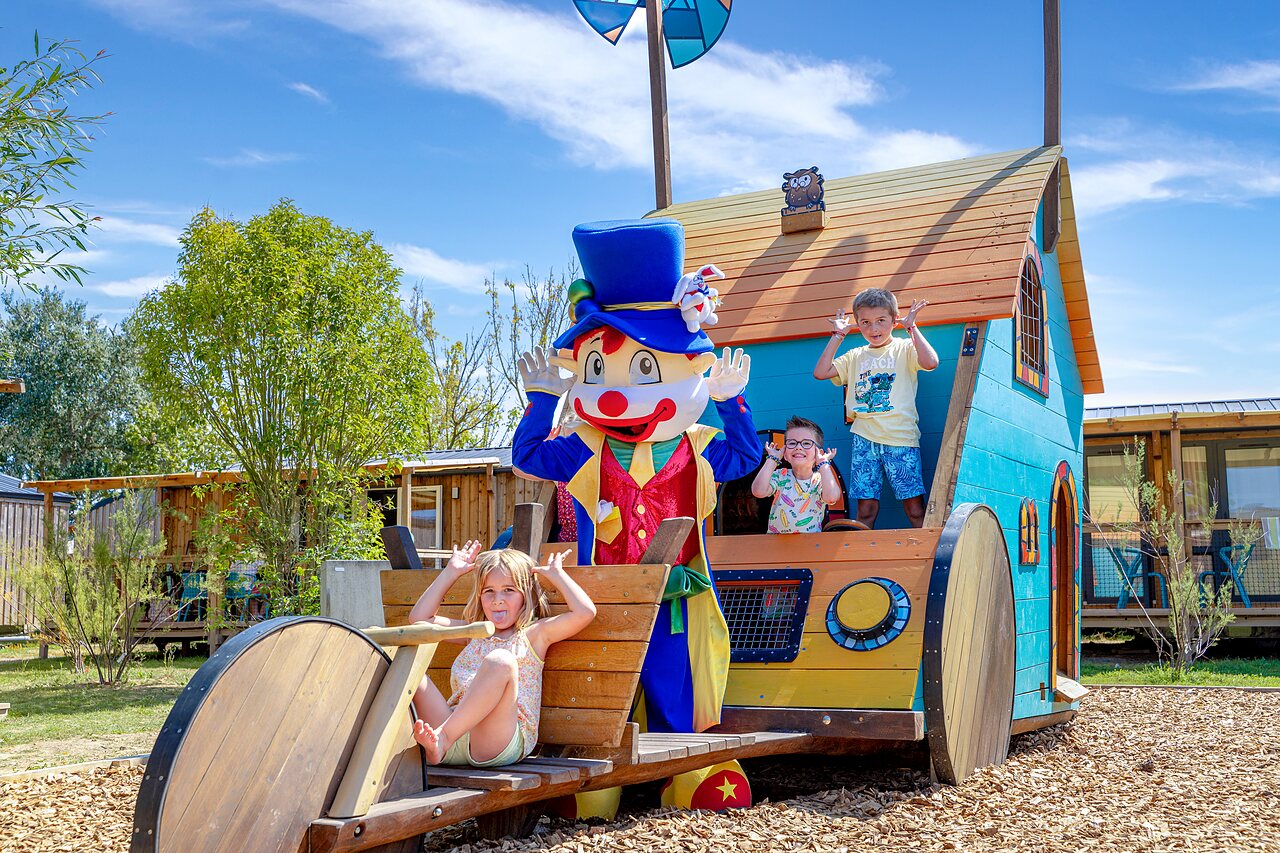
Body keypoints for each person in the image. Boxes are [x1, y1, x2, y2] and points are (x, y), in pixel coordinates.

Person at [406, 541, 596, 767]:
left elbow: (585, 613)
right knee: (408, 669)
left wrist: (557, 575)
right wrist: (451, 572)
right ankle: (430, 742)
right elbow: (420, 621)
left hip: (497, 741)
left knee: (501, 661)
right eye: (489, 591)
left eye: (509, 590)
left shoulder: (535, 634)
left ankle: (443, 738)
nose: (498, 600)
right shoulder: (473, 632)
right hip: (450, 736)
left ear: (526, 594)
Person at [812, 289, 939, 528]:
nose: (874, 329)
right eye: (866, 323)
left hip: (900, 437)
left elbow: (931, 362)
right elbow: (820, 372)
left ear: (894, 319)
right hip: (864, 437)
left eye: (881, 320)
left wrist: (911, 328)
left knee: (914, 508)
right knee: (866, 509)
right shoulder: (855, 356)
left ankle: (925, 555)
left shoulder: (903, 348)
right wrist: (838, 334)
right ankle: (863, 557)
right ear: (858, 325)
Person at [750, 416, 842, 534]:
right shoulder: (780, 476)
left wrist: (823, 464)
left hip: (809, 545)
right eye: (792, 443)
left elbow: (831, 497)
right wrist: (772, 460)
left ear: (818, 453)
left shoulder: (820, 480)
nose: (799, 447)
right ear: (786, 454)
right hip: (776, 544)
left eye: (807, 443)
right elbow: (758, 491)